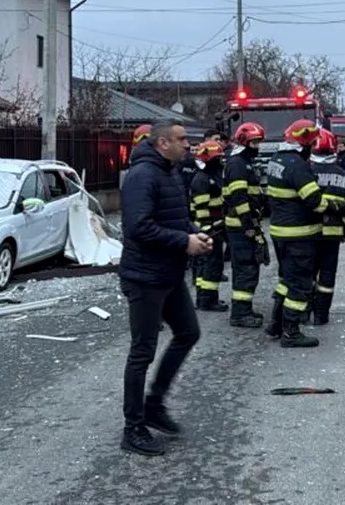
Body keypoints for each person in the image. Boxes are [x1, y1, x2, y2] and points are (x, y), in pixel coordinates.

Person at [118, 120, 211, 457]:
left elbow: (174, 218)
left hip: (169, 274)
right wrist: (183, 241)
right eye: (181, 139)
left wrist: (194, 232)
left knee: (188, 332)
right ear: (161, 143)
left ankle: (154, 404)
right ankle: (133, 428)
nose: (189, 144)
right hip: (144, 277)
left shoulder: (169, 171)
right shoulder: (143, 175)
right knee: (142, 352)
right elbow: (138, 227)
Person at [264, 119, 326, 347]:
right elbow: (315, 202)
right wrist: (333, 206)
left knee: (286, 280)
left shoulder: (276, 160)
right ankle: (291, 332)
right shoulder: (297, 165)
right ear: (305, 142)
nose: (313, 146)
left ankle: (276, 324)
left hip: (280, 232)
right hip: (299, 235)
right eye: (312, 142)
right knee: (300, 284)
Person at [222, 122, 268, 328]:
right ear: (244, 142)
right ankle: (240, 314)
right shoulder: (238, 164)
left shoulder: (244, 162)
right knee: (245, 269)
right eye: (254, 142)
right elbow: (239, 198)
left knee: (250, 268)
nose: (257, 146)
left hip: (244, 224)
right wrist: (248, 223)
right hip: (240, 227)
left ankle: (244, 309)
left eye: (258, 142)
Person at [309, 128, 345, 325]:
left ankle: (302, 313)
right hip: (332, 234)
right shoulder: (342, 174)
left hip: (308, 233)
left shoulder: (306, 171)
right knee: (327, 276)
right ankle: (321, 315)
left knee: (307, 272)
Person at [188, 139, 229, 312]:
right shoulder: (202, 180)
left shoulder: (212, 176)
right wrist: (208, 230)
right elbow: (201, 210)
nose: (220, 162)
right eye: (216, 158)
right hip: (207, 230)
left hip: (214, 228)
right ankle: (206, 300)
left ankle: (208, 298)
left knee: (211, 265)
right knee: (210, 265)